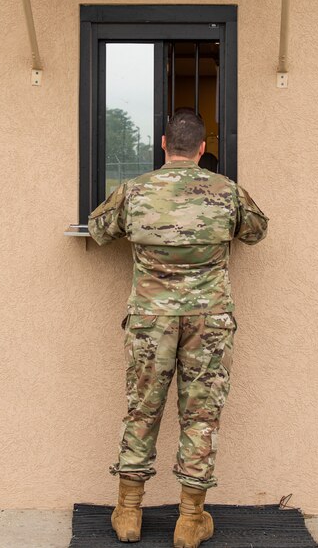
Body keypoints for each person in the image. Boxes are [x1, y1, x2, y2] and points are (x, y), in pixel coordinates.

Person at [88, 108, 269, 547]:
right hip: (209, 319)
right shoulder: (227, 191)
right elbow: (255, 232)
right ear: (202, 148)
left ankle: (129, 512)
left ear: (164, 145)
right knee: (201, 415)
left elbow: (99, 230)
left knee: (142, 409)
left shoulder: (135, 190)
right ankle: (189, 519)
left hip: (151, 319)